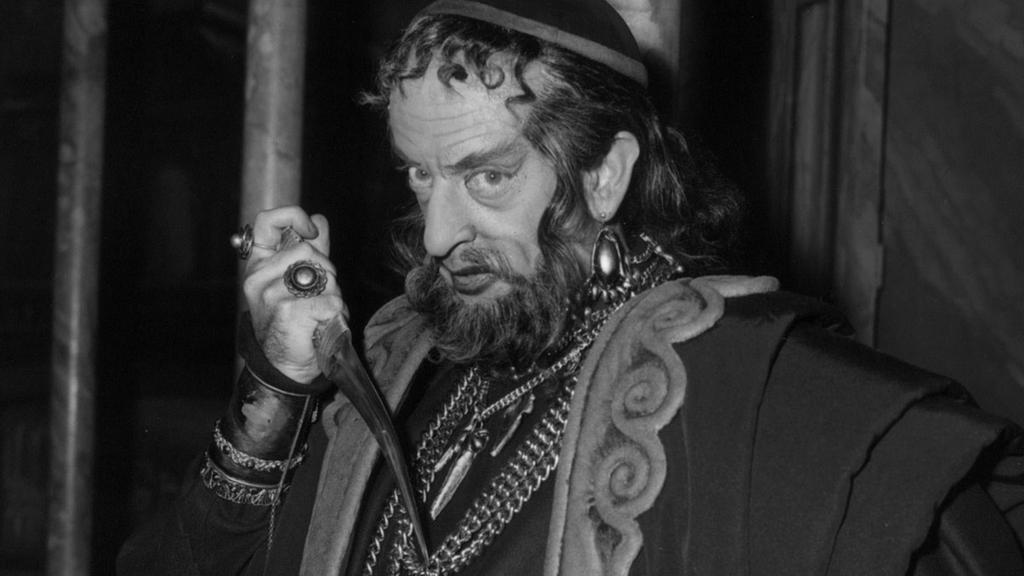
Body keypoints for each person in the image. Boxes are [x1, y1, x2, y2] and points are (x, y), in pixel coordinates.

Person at [118, 0, 1024, 574]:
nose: (436, 235)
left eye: (487, 177)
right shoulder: (400, 361)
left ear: (604, 175)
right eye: (420, 177)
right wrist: (281, 387)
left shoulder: (760, 398)